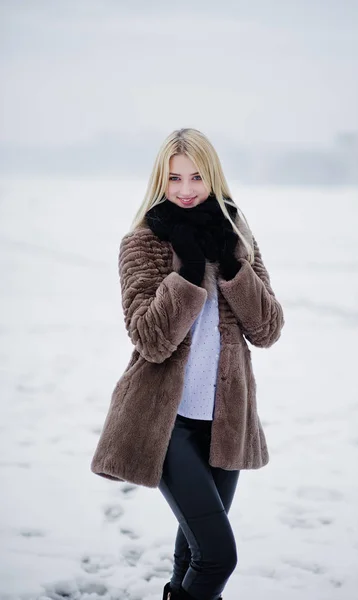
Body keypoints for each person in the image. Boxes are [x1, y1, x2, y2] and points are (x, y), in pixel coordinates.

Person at [90, 128, 285, 600]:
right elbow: (151, 340)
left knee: (193, 559)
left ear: (213, 178)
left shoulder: (237, 236)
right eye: (174, 177)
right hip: (165, 423)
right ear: (161, 179)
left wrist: (233, 268)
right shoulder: (143, 243)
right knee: (219, 557)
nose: (185, 189)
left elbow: (267, 330)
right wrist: (189, 271)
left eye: (197, 176)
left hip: (225, 422)